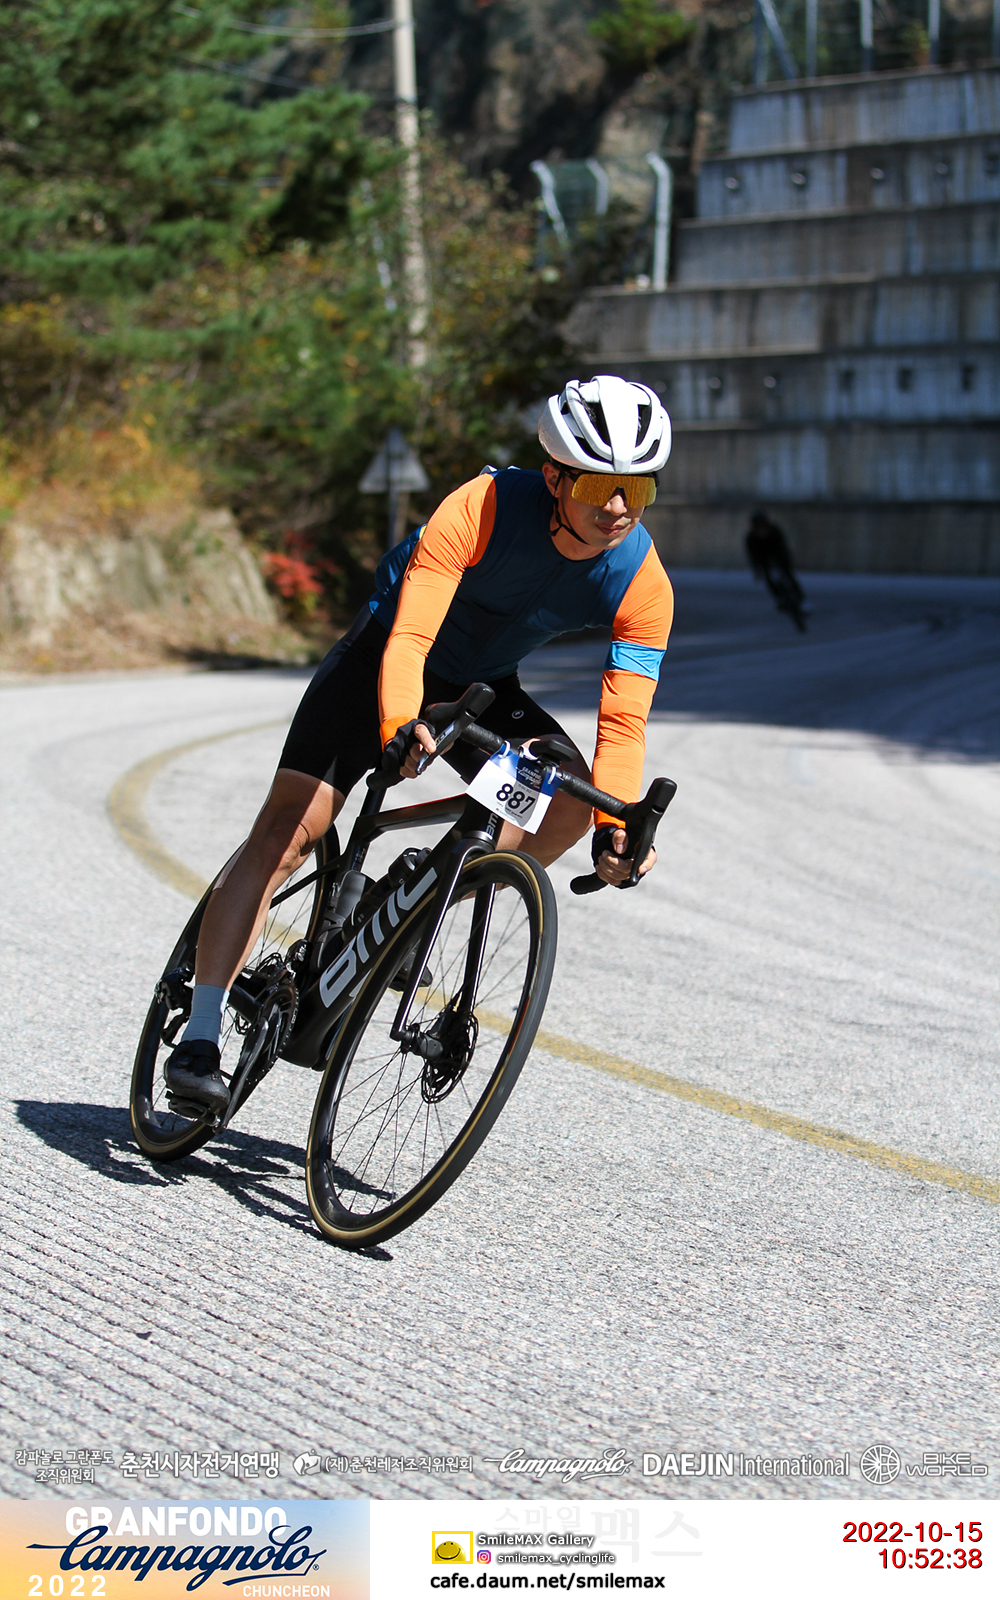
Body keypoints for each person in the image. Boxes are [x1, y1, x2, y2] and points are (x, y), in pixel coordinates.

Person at [164, 374, 675, 1112]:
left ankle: (418, 908)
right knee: (291, 831)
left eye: (639, 489)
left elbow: (623, 722)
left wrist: (615, 827)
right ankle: (201, 1033)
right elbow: (409, 636)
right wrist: (399, 726)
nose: (619, 507)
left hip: (481, 685)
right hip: (383, 659)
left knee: (568, 799)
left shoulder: (643, 583)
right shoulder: (481, 506)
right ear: (556, 478)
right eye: (600, 486)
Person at [744, 508, 807, 621]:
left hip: (778, 556)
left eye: (763, 527)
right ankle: (779, 598)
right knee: (768, 579)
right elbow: (753, 557)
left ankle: (801, 600)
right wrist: (757, 571)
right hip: (764, 560)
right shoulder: (750, 538)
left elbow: (783, 547)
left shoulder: (774, 531)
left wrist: (788, 560)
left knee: (789, 576)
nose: (762, 530)